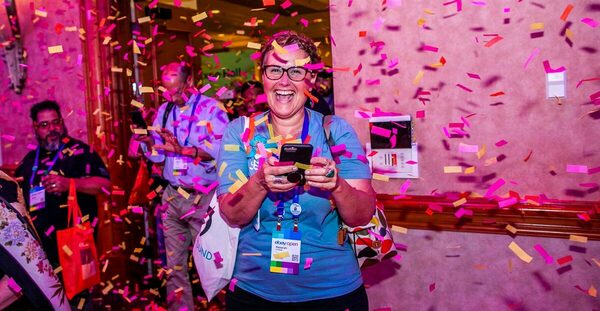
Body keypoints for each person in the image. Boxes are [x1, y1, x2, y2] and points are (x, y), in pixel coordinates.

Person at [217, 30, 375, 310]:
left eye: (297, 71)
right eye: (275, 69)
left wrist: (337, 185)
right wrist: (260, 183)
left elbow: (361, 215)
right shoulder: (239, 132)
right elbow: (231, 213)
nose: (284, 81)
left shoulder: (335, 131)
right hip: (254, 293)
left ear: (311, 78)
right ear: (263, 75)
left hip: (332, 292)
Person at [136, 61, 228, 310]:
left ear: (190, 82)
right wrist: (148, 142)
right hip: (172, 196)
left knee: (214, 266)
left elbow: (221, 152)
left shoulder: (212, 109)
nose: (171, 97)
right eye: (167, 92)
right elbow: (158, 156)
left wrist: (184, 150)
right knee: (174, 267)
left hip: (204, 198)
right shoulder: (164, 111)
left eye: (176, 91)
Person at [15, 100, 111, 308]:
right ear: (35, 127)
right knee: (47, 300)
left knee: (80, 300)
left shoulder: (81, 152)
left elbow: (105, 185)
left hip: (77, 240)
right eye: (44, 125)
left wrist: (70, 184)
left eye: (56, 122)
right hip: (40, 245)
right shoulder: (30, 160)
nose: (52, 129)